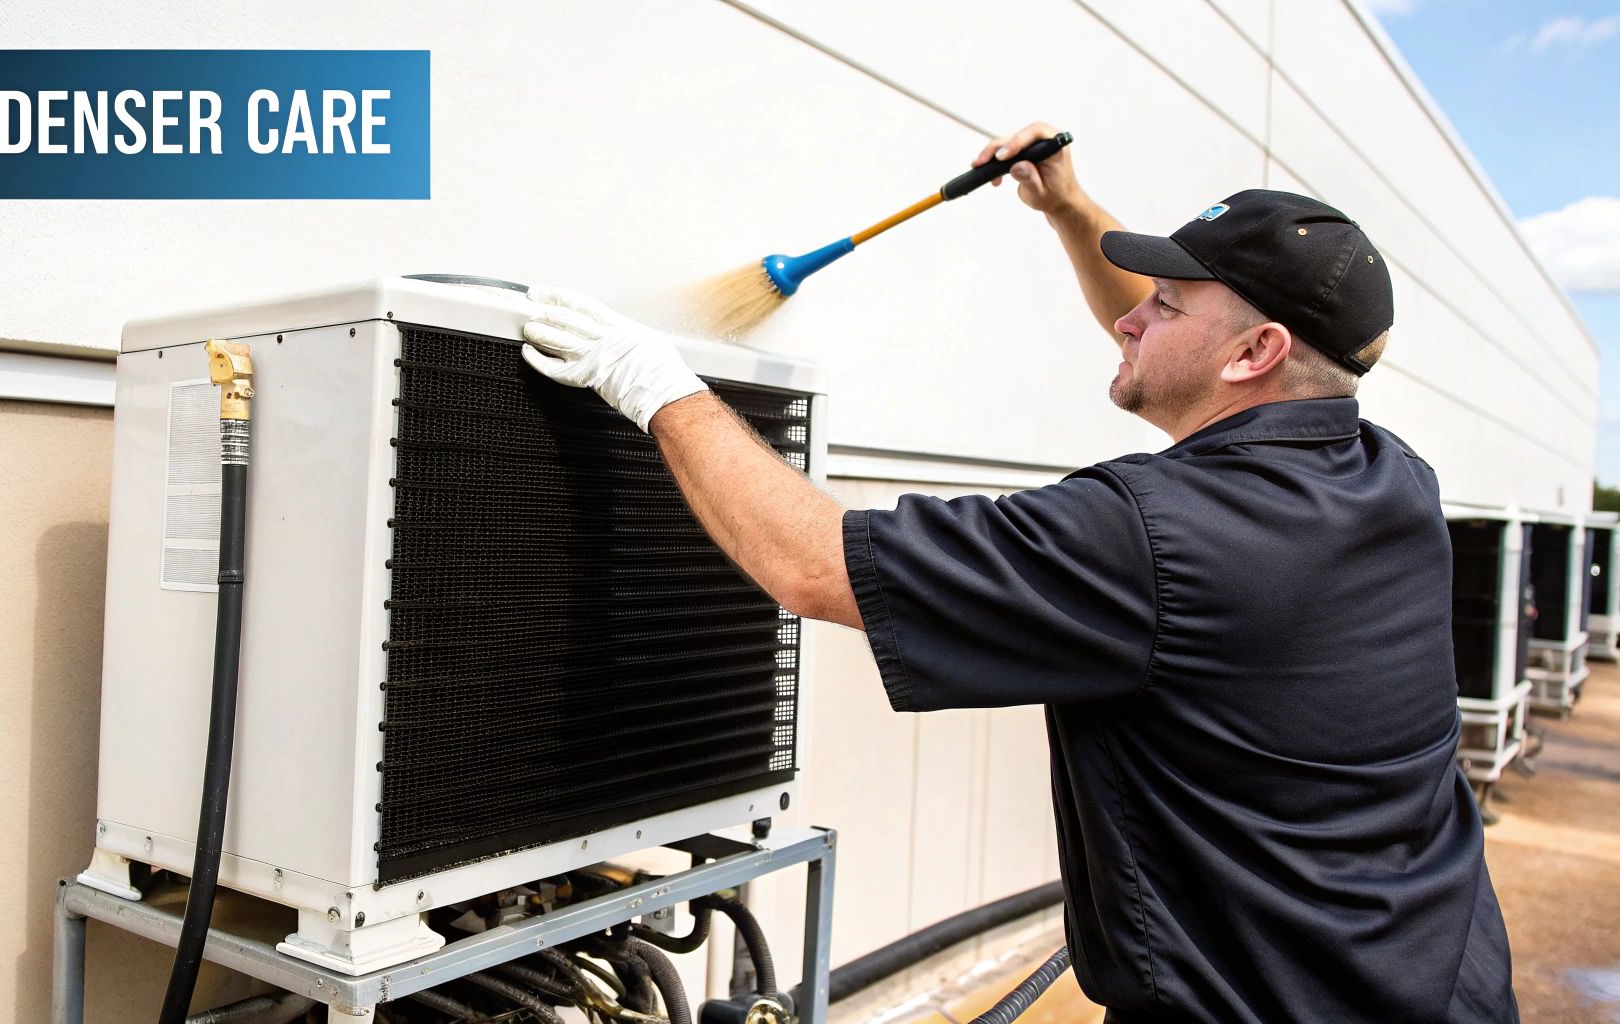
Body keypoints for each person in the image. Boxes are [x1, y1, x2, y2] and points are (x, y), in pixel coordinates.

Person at [518, 121, 1519, 1023]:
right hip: (1436, 979)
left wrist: (652, 383)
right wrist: (1070, 210)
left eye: (1164, 304)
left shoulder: (1150, 535)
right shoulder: (1387, 479)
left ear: (1255, 352)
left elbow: (810, 564)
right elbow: (1186, 348)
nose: (1130, 319)